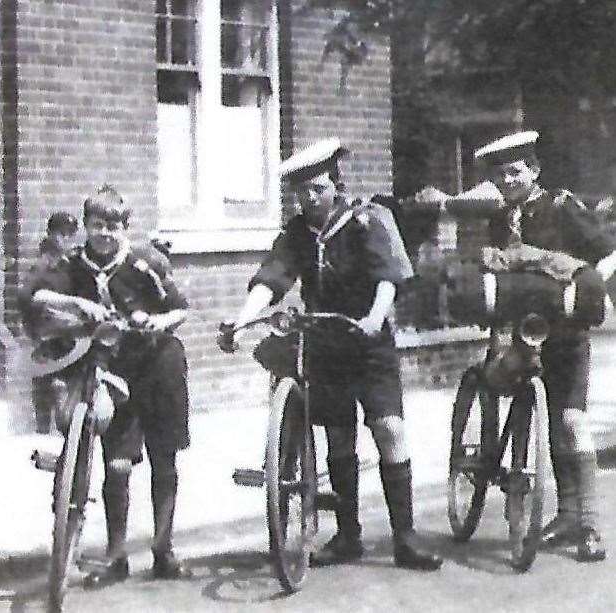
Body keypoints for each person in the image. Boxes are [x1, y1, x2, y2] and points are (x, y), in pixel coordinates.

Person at [220, 138, 443, 571]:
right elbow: (272, 279)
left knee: (388, 429)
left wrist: (376, 317)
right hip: (326, 343)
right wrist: (242, 319)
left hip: (368, 340)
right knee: (338, 437)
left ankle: (406, 538)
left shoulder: (368, 220)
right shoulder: (298, 234)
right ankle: (348, 534)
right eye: (302, 192)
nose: (310, 198)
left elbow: (387, 277)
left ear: (337, 185)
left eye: (318, 188)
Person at [29, 185, 193, 587]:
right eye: (98, 225)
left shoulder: (144, 264)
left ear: (126, 228)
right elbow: (35, 293)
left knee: (163, 457)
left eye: (115, 226)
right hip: (113, 372)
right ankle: (116, 555)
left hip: (158, 366)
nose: (105, 234)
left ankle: (163, 549)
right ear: (85, 226)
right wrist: (75, 306)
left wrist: (157, 322)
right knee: (117, 465)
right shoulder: (73, 267)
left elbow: (180, 308)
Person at [468, 131, 615, 561]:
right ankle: (564, 513)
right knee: (538, 418)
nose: (508, 181)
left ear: (534, 171)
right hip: (521, 333)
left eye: (515, 172)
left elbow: (607, 252)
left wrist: (588, 288)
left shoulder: (562, 208)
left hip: (565, 335)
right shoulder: (500, 219)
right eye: (501, 175)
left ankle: (587, 523)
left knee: (571, 421)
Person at [19, 212, 79, 433]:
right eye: (61, 234)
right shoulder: (43, 264)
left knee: (65, 385)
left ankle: (62, 432)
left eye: (70, 234)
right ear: (51, 234)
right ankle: (42, 430)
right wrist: (37, 326)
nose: (66, 239)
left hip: (67, 335)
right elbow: (26, 296)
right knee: (47, 382)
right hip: (46, 334)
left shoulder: (70, 263)